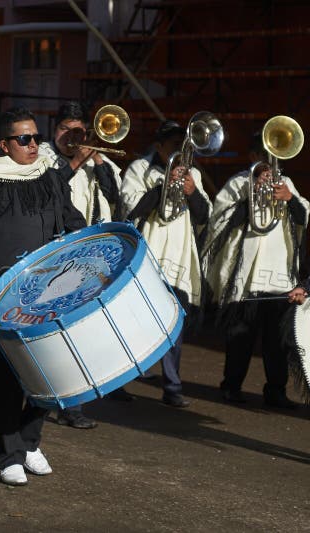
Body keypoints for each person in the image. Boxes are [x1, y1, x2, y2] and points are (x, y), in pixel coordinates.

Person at [0, 106, 87, 486]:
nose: (32, 145)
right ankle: (7, 452)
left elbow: (72, 219)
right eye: (24, 139)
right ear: (5, 145)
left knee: (53, 370)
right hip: (5, 291)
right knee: (8, 377)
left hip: (52, 289)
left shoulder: (51, 176)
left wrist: (89, 247)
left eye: (36, 138)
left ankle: (29, 440)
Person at [202, 131, 308, 408]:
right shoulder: (238, 183)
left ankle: (276, 391)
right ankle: (231, 386)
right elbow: (220, 221)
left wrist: (290, 199)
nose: (270, 164)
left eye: (274, 157)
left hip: (280, 276)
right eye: (263, 157)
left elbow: (303, 217)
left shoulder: (286, 184)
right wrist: (248, 200)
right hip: (246, 275)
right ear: (252, 158)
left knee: (278, 343)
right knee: (240, 337)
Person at [39, 100, 125, 424]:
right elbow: (49, 189)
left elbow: (114, 194)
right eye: (65, 129)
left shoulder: (94, 158)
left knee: (78, 332)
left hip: (90, 255)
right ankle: (55, 403)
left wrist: (97, 156)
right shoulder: (44, 157)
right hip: (54, 253)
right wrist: (76, 160)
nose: (71, 136)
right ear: (54, 129)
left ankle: (69, 406)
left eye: (79, 130)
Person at [120, 120, 213, 409]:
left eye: (184, 145)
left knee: (175, 324)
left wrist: (192, 192)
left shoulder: (193, 173)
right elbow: (131, 208)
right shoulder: (140, 169)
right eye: (175, 146)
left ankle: (172, 386)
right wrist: (163, 187)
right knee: (136, 320)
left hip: (179, 258)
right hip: (147, 256)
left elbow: (204, 216)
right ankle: (121, 380)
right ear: (159, 146)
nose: (182, 152)